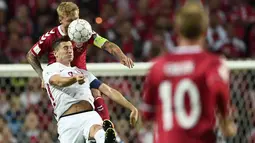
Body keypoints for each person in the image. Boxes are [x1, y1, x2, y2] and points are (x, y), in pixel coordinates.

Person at [141, 2, 237, 143]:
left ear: (177, 30)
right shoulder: (214, 65)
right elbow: (225, 118)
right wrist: (228, 127)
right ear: (205, 30)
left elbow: (146, 116)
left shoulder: (158, 67)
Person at [26, 2, 134, 121]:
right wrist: (42, 76)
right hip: (60, 77)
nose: (74, 24)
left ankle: (107, 129)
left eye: (76, 19)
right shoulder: (50, 37)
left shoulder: (84, 32)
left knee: (96, 92)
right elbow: (31, 55)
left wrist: (121, 55)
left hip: (81, 73)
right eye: (70, 20)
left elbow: (107, 45)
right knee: (69, 109)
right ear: (61, 19)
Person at [42, 37, 138, 143]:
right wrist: (74, 79)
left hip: (90, 116)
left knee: (97, 129)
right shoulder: (51, 69)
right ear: (55, 53)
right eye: (65, 48)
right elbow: (57, 81)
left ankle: (105, 139)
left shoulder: (83, 73)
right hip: (67, 120)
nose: (70, 50)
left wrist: (132, 107)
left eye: (70, 48)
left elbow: (108, 90)